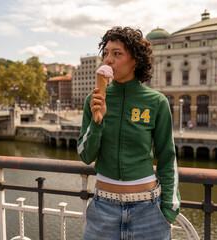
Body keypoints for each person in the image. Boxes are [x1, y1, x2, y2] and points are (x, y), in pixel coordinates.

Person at [77, 26, 180, 240]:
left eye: (117, 53)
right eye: (105, 53)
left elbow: (167, 156)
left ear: (135, 60)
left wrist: (168, 210)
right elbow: (85, 156)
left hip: (148, 210)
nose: (108, 59)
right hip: (103, 208)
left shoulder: (156, 101)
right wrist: (98, 121)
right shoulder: (93, 100)